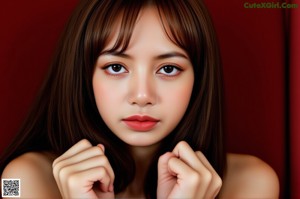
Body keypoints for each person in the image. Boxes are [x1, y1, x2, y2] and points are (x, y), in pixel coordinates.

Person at [0, 0, 279, 198]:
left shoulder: (254, 183)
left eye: (168, 69)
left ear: (200, 77)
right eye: (116, 67)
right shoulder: (17, 181)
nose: (142, 96)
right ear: (84, 75)